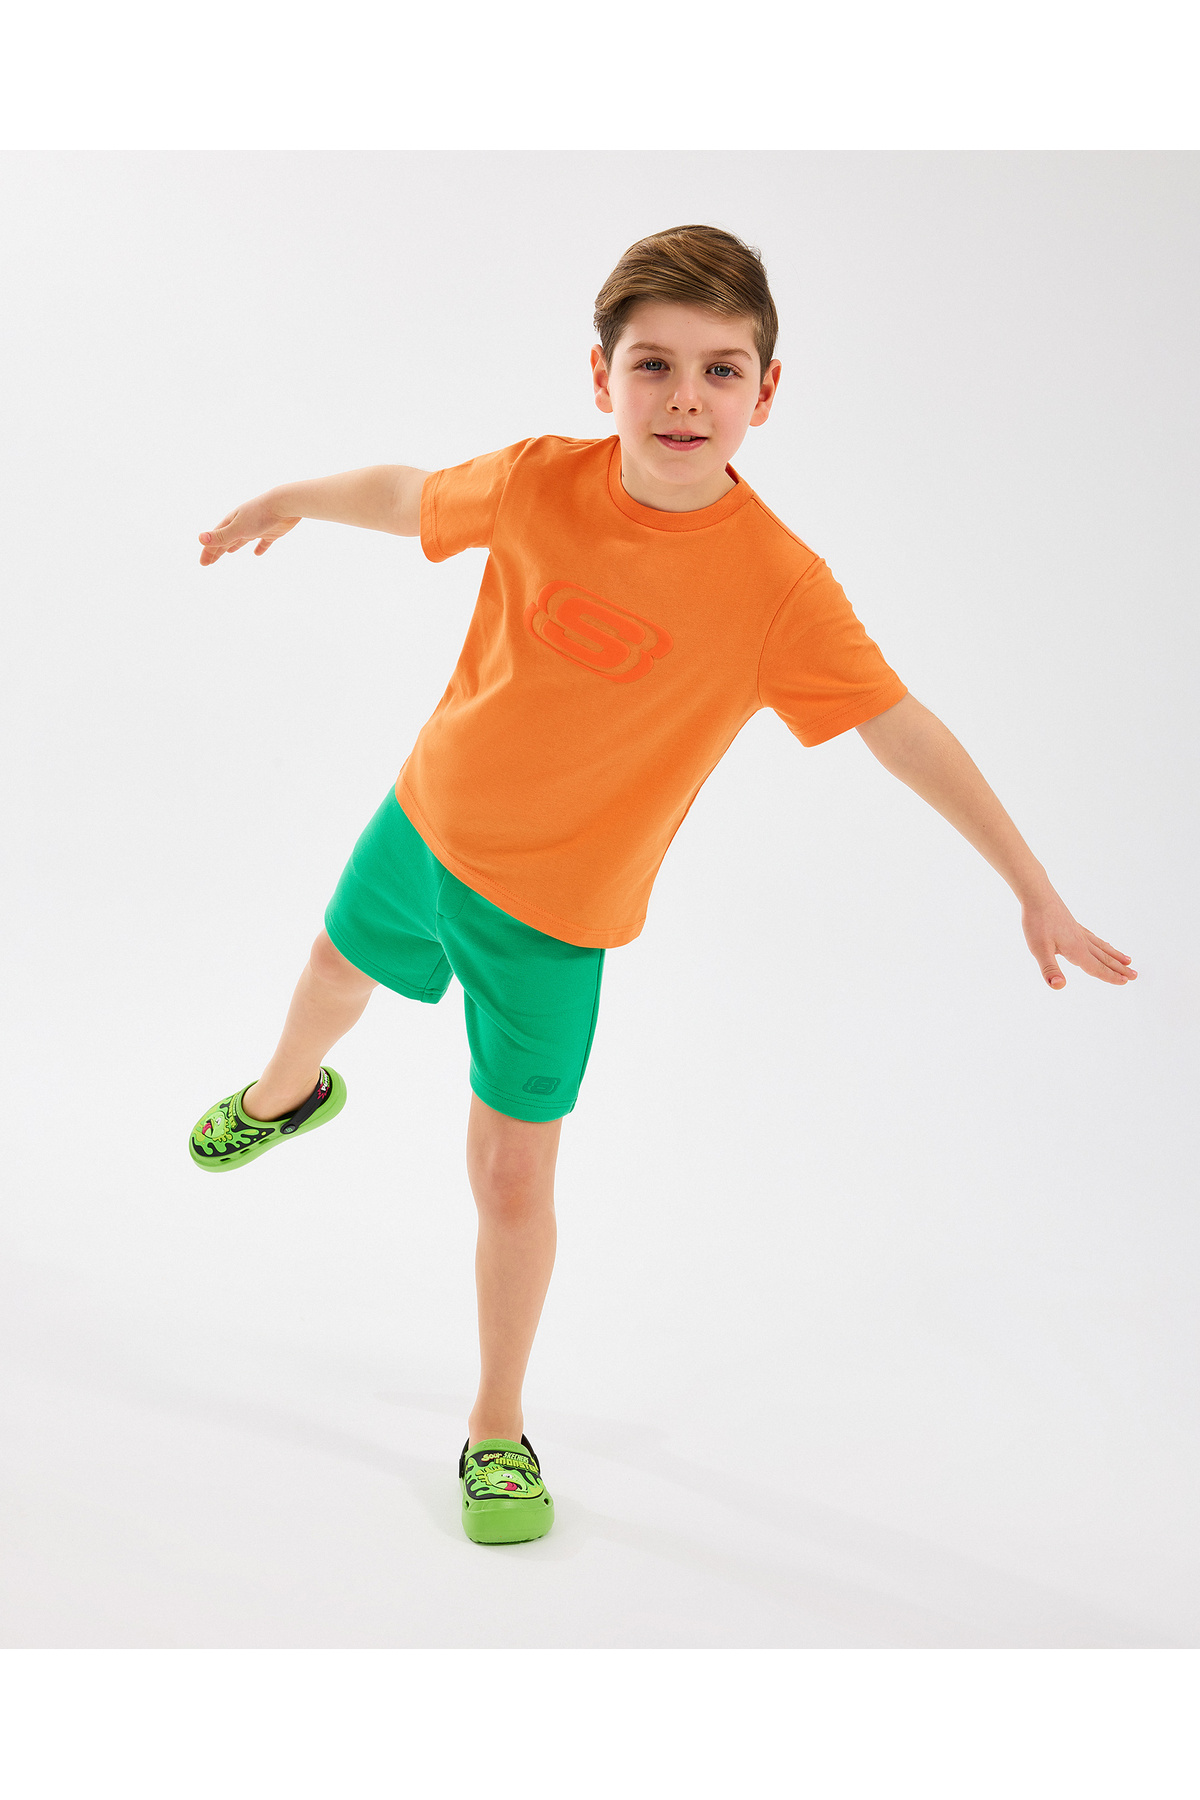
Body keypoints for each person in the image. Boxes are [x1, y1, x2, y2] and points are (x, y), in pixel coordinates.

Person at [188, 224, 1136, 1546]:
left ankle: (497, 1430)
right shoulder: (537, 479)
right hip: (423, 822)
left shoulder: (779, 589)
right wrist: (288, 496)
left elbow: (901, 728)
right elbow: (410, 495)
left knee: (510, 1175)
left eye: (720, 370)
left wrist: (1032, 886)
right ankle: (284, 1097)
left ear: (765, 391)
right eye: (654, 365)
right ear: (603, 377)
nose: (686, 398)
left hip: (553, 921)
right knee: (331, 972)